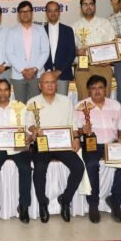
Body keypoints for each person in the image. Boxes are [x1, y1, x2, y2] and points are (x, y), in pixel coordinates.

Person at [27, 72, 84, 223]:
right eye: (46, 82)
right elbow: (28, 124)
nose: (50, 85)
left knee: (78, 166)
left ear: (57, 84)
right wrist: (34, 129)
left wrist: (76, 138)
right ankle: (43, 203)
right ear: (40, 85)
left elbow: (73, 123)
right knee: (39, 168)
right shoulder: (33, 102)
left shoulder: (66, 101)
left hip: (62, 144)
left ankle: (65, 199)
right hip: (42, 144)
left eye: (52, 82)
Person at [74, 75, 121, 224]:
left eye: (100, 87)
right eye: (93, 88)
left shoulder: (115, 105)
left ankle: (115, 200)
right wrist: (82, 131)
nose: (97, 91)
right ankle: (93, 204)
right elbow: (76, 131)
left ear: (106, 89)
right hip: (91, 144)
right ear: (88, 90)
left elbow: (120, 129)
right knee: (91, 165)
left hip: (112, 143)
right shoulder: (81, 106)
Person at [0, 79, 32, 223]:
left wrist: (28, 138)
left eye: (6, 90)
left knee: (26, 168)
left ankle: (24, 206)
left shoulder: (20, 107)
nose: (3, 93)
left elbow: (28, 128)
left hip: (18, 147)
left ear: (10, 91)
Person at [71, 0, 116, 100]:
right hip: (83, 66)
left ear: (95, 7)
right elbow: (70, 48)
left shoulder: (105, 23)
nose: (88, 7)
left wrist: (109, 60)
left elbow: (113, 44)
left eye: (91, 4)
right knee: (84, 99)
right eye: (85, 4)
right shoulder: (74, 26)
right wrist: (77, 52)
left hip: (103, 66)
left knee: (104, 98)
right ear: (81, 8)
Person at [6, 1, 50, 103]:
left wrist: (34, 69)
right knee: (20, 106)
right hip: (18, 75)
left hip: (36, 75)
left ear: (32, 13)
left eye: (27, 11)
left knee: (35, 105)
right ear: (18, 14)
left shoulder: (41, 29)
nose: (25, 14)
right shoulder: (12, 31)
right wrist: (22, 70)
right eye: (22, 11)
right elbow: (9, 53)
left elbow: (45, 51)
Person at [43, 1, 76, 96]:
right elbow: (38, 53)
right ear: (46, 13)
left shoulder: (68, 30)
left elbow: (71, 53)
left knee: (62, 101)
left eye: (55, 10)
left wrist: (59, 71)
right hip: (45, 74)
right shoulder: (41, 30)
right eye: (50, 11)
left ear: (59, 12)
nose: (53, 13)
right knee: (46, 102)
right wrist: (48, 71)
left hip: (63, 74)